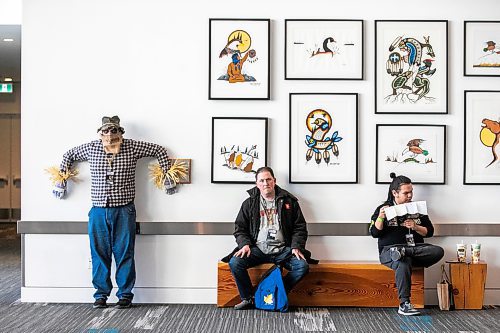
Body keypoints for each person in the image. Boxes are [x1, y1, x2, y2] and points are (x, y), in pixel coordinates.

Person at [53, 116, 175, 309]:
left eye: (114, 131)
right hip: (98, 211)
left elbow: (159, 150)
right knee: (99, 253)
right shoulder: (91, 148)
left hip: (124, 210)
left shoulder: (132, 147)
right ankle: (100, 295)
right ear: (100, 133)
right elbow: (68, 155)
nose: (110, 135)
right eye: (105, 131)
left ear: (121, 132)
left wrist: (167, 175)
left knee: (124, 253)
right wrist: (62, 180)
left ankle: (125, 295)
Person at [222, 166, 316, 310]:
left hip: (283, 250)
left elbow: (300, 227)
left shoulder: (289, 202)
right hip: (257, 249)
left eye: (268, 179)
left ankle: (273, 291)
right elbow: (240, 228)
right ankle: (248, 298)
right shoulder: (249, 203)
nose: (265, 183)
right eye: (262, 180)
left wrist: (296, 246)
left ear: (274, 181)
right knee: (235, 263)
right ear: (257, 184)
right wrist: (245, 244)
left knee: (302, 266)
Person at [369, 172, 444, 316]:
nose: (410, 196)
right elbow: (374, 233)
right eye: (406, 193)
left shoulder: (417, 209)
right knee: (403, 262)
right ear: (395, 193)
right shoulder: (383, 209)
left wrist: (415, 227)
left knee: (438, 251)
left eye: (411, 192)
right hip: (389, 252)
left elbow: (429, 232)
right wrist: (380, 217)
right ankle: (404, 304)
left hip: (415, 249)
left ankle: (403, 251)